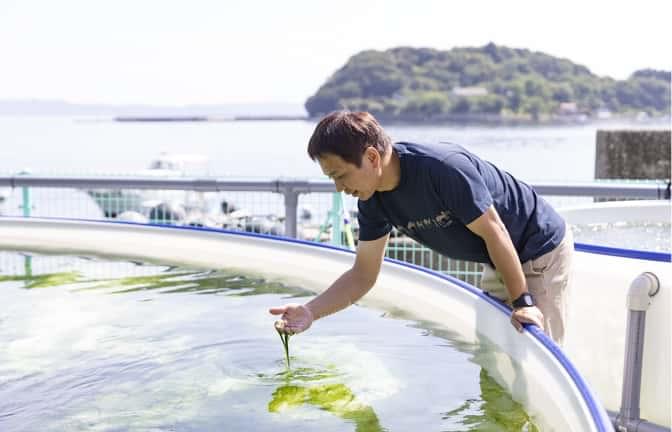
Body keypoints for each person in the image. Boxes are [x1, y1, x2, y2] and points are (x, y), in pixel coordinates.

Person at [270, 111, 573, 345]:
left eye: (341, 175)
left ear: (372, 157)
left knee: (536, 353)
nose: (339, 188)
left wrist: (524, 302)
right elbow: (363, 274)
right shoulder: (372, 201)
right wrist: (311, 312)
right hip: (498, 257)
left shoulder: (442, 168)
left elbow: (495, 231)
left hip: (538, 250)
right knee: (496, 357)